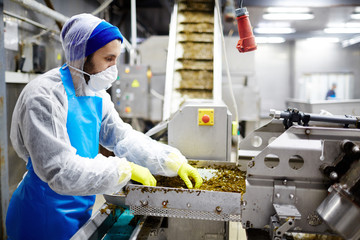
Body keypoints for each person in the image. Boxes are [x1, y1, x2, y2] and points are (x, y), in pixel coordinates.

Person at [6, 13, 203, 240]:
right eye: (108, 59)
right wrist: (124, 170)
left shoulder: (96, 94)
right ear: (82, 56)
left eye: (116, 60)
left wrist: (169, 160)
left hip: (80, 208)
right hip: (41, 216)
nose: (114, 68)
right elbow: (60, 171)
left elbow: (122, 138)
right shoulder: (44, 97)